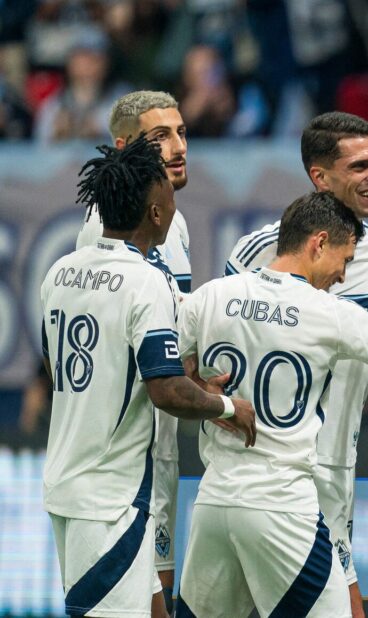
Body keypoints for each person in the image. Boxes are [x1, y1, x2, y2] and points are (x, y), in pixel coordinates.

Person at [175, 193, 368, 617]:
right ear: (319, 243)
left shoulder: (211, 296)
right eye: (345, 259)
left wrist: (211, 399)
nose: (342, 275)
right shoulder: (331, 312)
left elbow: (164, 376)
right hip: (281, 505)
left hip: (214, 504)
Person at [40, 137, 256, 618]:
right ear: (155, 214)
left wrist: (192, 389)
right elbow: (163, 389)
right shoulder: (146, 280)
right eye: (171, 200)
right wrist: (225, 407)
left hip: (67, 481)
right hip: (110, 500)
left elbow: (71, 369)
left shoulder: (59, 272)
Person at [224, 111, 368, 617]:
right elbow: (213, 350)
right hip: (273, 471)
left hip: (338, 471)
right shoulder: (257, 251)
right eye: (360, 165)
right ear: (320, 178)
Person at [74, 89, 190, 611]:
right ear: (123, 148)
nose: (178, 145)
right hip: (122, 465)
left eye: (181, 132)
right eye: (160, 136)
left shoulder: (172, 220)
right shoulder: (104, 234)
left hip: (158, 449)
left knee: (158, 599)